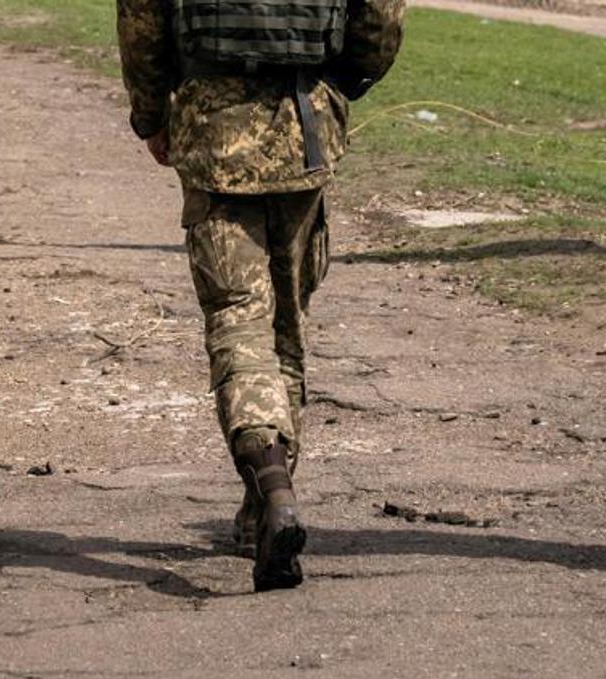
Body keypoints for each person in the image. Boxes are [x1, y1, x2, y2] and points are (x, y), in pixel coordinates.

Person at [118, 0, 404, 591]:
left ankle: (271, 491)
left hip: (213, 131)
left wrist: (151, 114)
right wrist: (340, 81)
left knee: (238, 321)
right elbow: (380, 17)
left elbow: (141, 19)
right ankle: (266, 507)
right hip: (305, 127)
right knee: (286, 327)